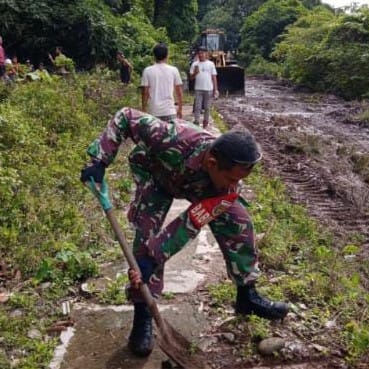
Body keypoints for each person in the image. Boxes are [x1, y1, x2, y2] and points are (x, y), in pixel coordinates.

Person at [80, 107, 289, 357]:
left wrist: (152, 258)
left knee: (238, 222)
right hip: (156, 176)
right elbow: (126, 116)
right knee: (146, 236)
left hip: (201, 186)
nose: (236, 185)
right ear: (212, 163)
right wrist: (100, 160)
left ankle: (247, 295)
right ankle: (143, 314)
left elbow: (189, 223)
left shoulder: (227, 187)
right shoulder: (170, 136)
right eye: (231, 178)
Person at [140, 43, 183, 121]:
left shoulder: (147, 71)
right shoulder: (174, 70)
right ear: (167, 55)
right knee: (170, 133)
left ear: (154, 56)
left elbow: (144, 93)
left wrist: (144, 109)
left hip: (154, 111)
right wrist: (180, 108)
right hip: (169, 111)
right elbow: (179, 92)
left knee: (154, 133)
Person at [189, 46, 218, 129]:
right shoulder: (195, 64)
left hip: (208, 89)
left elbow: (214, 77)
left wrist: (215, 89)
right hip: (198, 89)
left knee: (207, 107)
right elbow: (191, 77)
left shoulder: (211, 64)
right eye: (199, 53)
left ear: (206, 54)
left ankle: (205, 122)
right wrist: (195, 73)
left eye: (202, 53)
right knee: (197, 107)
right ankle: (196, 122)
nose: (201, 55)